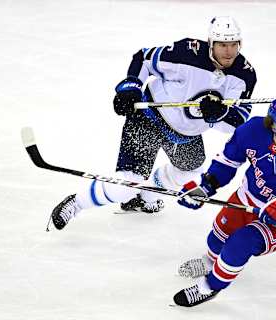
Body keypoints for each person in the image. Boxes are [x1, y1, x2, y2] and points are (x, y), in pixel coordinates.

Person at [49, 16, 257, 230]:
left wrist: (219, 114)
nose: (229, 51)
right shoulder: (187, 53)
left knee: (192, 170)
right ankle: (76, 203)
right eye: (223, 44)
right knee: (126, 186)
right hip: (149, 118)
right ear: (211, 43)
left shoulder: (244, 75)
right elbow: (144, 58)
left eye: (234, 45)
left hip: (185, 134)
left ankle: (145, 196)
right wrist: (131, 87)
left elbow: (236, 123)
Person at [172, 97, 276, 307]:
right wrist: (206, 185)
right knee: (217, 239)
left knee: (240, 243)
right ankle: (211, 261)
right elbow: (228, 162)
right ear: (274, 127)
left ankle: (210, 286)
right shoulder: (251, 131)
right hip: (247, 198)